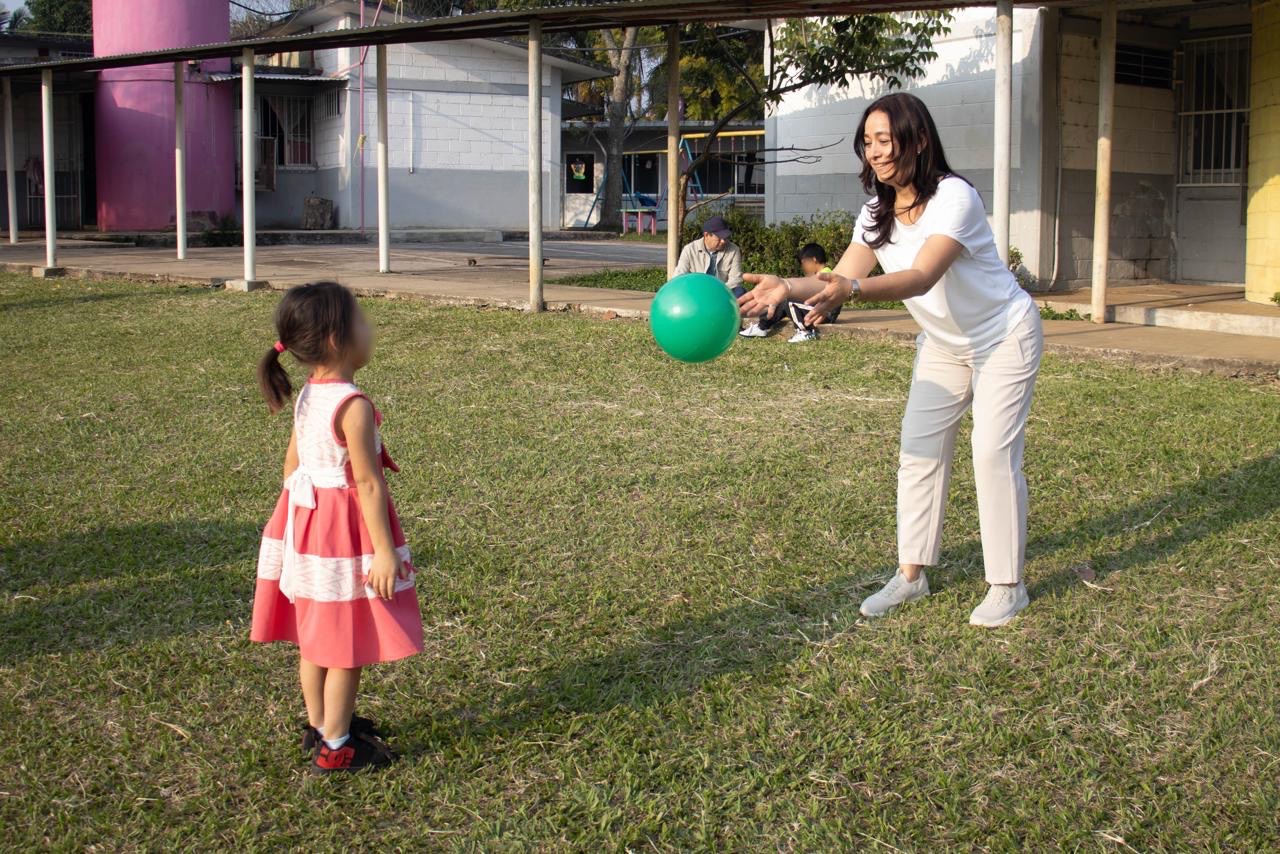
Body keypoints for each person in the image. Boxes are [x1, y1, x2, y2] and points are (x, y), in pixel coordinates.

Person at [739, 92, 1043, 628]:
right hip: (944, 345)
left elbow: (922, 275)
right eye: (868, 142)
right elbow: (840, 272)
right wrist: (788, 285)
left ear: (918, 139)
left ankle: (1007, 585)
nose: (874, 152)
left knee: (991, 453)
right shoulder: (877, 210)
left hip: (1003, 336)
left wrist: (852, 289)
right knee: (918, 451)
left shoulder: (955, 198)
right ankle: (911, 576)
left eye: (884, 140)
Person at [252, 281, 424, 773]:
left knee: (316, 638)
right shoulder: (354, 404)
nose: (370, 330)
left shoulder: (309, 394)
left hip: (307, 530)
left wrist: (305, 524)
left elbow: (292, 468)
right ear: (335, 339)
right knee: (346, 645)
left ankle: (319, 724)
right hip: (342, 536)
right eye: (362, 321)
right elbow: (368, 485)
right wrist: (384, 551)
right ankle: (337, 745)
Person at [739, 242, 842, 343]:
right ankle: (762, 327)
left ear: (813, 260)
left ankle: (805, 332)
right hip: (818, 310)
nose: (803, 268)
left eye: (804, 263)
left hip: (826, 313)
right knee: (782, 300)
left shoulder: (826, 274)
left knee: (789, 301)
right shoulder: (818, 275)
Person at [673, 214, 745, 296]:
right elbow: (679, 276)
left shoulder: (734, 250)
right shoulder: (689, 249)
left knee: (740, 292)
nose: (723, 241)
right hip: (696, 292)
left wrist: (716, 292)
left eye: (725, 237)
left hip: (722, 293)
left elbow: (736, 279)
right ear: (706, 235)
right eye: (720, 238)